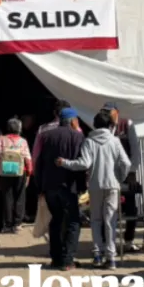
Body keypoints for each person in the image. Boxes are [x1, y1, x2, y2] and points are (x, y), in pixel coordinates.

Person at [58, 110, 131, 269]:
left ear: (94, 125)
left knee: (96, 220)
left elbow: (84, 163)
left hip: (95, 185)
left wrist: (65, 163)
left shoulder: (89, 141)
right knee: (110, 221)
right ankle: (111, 257)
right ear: (109, 125)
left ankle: (98, 255)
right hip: (112, 185)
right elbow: (126, 163)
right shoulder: (115, 141)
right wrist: (119, 177)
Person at [35, 108, 85, 270]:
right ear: (72, 121)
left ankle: (56, 258)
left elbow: (39, 162)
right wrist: (82, 186)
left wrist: (40, 186)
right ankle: (68, 260)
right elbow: (80, 163)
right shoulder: (77, 136)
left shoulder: (46, 136)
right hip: (68, 186)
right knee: (73, 221)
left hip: (50, 186)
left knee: (56, 220)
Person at [101, 103, 141, 251]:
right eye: (104, 112)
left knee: (131, 207)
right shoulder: (103, 127)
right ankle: (106, 241)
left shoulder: (127, 124)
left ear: (116, 112)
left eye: (108, 112)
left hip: (126, 174)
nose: (106, 115)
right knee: (107, 208)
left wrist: (132, 173)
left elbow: (135, 152)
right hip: (108, 175)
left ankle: (129, 240)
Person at [0, 118, 33, 232]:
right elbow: (28, 158)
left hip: (4, 172)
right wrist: (29, 172)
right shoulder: (23, 141)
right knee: (20, 197)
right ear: (19, 129)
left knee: (7, 197)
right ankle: (17, 224)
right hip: (20, 172)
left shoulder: (1, 140)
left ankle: (7, 224)